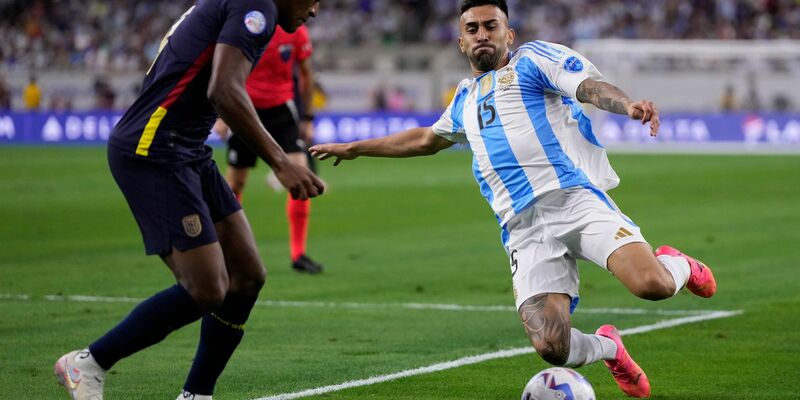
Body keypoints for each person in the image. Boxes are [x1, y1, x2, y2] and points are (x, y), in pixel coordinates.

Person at [309, 1, 717, 398]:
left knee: (653, 285)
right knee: (551, 347)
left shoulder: (532, 61)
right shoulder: (464, 98)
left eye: (491, 26)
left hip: (572, 200)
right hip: (522, 228)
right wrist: (356, 148)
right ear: (460, 42)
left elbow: (588, 87)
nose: (482, 35)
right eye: (472, 29)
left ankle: (680, 264)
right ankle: (611, 349)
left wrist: (626, 104)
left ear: (509, 33)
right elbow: (425, 139)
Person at [53, 1, 324, 400]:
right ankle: (88, 363)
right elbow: (224, 89)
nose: (315, 10)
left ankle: (196, 394)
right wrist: (281, 161)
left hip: (187, 148)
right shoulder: (258, 6)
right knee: (208, 288)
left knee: (248, 275)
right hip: (154, 148)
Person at [215, 23, 323, 274]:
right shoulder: (250, 24)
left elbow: (306, 74)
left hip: (281, 111)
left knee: (300, 179)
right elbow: (225, 67)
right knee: (234, 186)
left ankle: (298, 254)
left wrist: (307, 117)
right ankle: (226, 250)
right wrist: (221, 114)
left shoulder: (297, 31)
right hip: (245, 110)